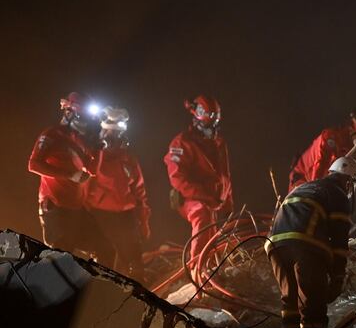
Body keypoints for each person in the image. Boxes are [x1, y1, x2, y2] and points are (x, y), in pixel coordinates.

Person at [267, 157, 356, 328]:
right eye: (352, 186)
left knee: (290, 299)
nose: (350, 191)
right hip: (305, 246)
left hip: (275, 246)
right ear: (348, 181)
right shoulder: (337, 194)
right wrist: (337, 276)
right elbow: (339, 241)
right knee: (313, 302)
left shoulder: (306, 187)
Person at [28, 92, 100, 252]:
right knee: (60, 258)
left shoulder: (79, 140)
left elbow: (92, 170)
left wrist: (99, 150)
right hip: (56, 207)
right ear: (69, 112)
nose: (86, 123)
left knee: (104, 248)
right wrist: (70, 175)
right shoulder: (52, 134)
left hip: (76, 208)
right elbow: (33, 164)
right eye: (83, 118)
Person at [164, 95, 233, 262]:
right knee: (202, 215)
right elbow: (178, 179)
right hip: (191, 198)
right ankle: (196, 267)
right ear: (196, 120)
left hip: (214, 200)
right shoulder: (182, 143)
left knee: (217, 233)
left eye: (213, 125)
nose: (210, 130)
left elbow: (225, 175)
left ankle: (213, 267)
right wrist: (206, 197)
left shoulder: (218, 143)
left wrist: (228, 205)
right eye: (206, 125)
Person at [85, 107, 150, 279]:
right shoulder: (93, 156)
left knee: (134, 258)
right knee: (106, 256)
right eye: (109, 133)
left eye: (117, 133)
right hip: (101, 214)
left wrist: (144, 221)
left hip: (126, 213)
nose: (113, 137)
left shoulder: (128, 159)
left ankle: (139, 295)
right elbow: (85, 183)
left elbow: (139, 191)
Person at [288, 109, 356, 191]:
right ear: (353, 129)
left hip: (328, 184)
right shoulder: (331, 138)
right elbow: (319, 169)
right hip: (303, 181)